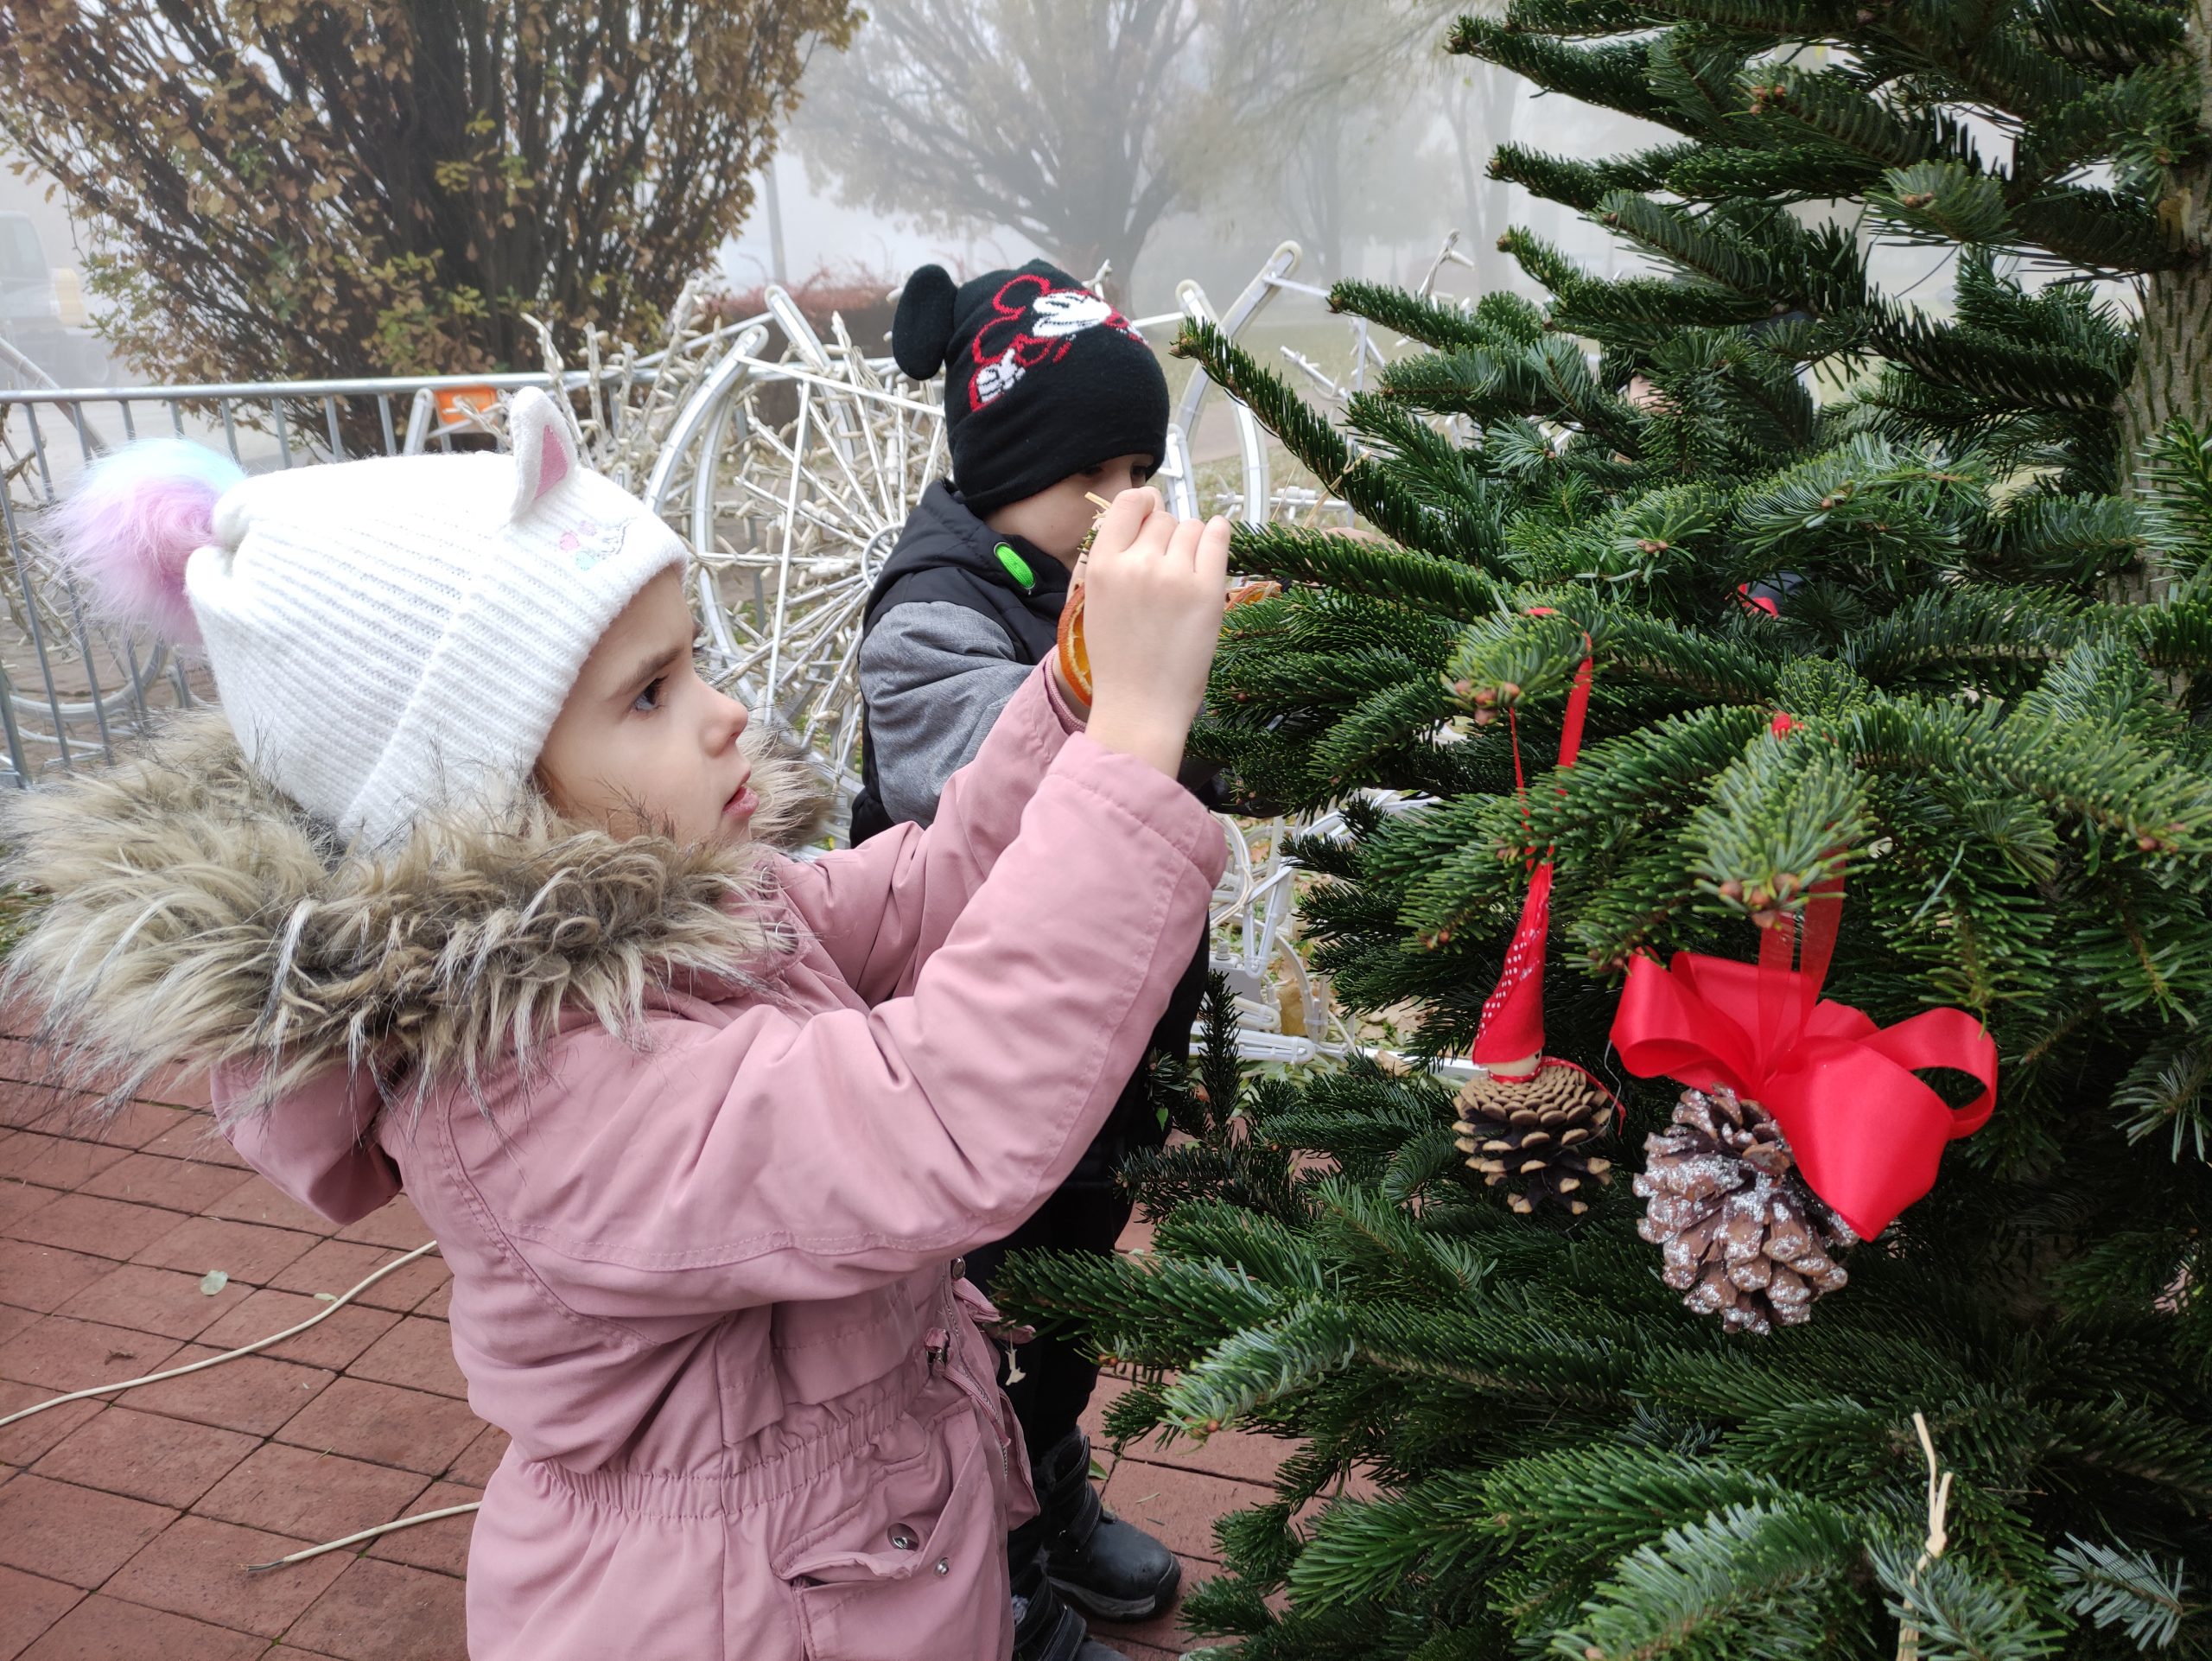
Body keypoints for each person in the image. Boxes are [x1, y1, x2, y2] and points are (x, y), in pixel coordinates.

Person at [7, 388, 1231, 1661]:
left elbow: (918, 898)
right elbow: (930, 1115)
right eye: (649, 694)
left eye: (692, 658)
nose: (723, 711)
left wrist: (1073, 696)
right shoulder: (530, 1083)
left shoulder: (692, 918)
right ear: (480, 804)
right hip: (732, 1618)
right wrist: (1135, 749)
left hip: (863, 1566)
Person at [849, 261, 1205, 1661]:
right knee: (969, 1331)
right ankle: (989, 1582)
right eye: (1093, 475)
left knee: (1072, 1298)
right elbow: (1009, 775)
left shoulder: (1073, 582)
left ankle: (1050, 1488)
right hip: (980, 1067)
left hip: (1105, 1056)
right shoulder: (931, 616)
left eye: (1143, 470)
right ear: (1003, 465)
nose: (1128, 506)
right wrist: (1151, 685)